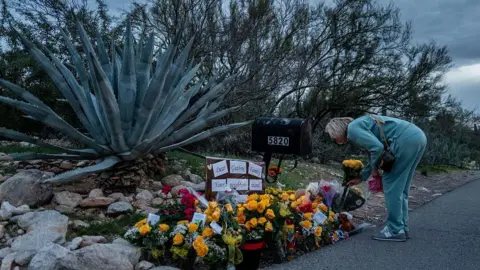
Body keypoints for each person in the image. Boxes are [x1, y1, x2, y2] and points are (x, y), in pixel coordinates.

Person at [325, 114, 427, 242]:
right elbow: (375, 151)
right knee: (402, 188)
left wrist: (374, 170)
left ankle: (394, 230)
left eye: (333, 136)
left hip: (404, 140)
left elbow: (377, 148)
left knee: (391, 185)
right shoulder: (360, 124)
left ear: (337, 129)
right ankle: (402, 227)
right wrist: (362, 177)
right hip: (417, 136)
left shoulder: (353, 129)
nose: (335, 140)